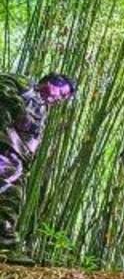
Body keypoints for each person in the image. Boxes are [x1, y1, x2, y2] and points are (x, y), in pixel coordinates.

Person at [0, 72, 76, 266]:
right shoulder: (25, 83)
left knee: (12, 200)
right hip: (5, 150)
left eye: (64, 98)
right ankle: (5, 247)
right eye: (61, 93)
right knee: (8, 196)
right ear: (51, 82)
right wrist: (18, 110)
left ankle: (6, 247)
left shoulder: (42, 106)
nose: (60, 99)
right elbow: (3, 85)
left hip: (17, 160)